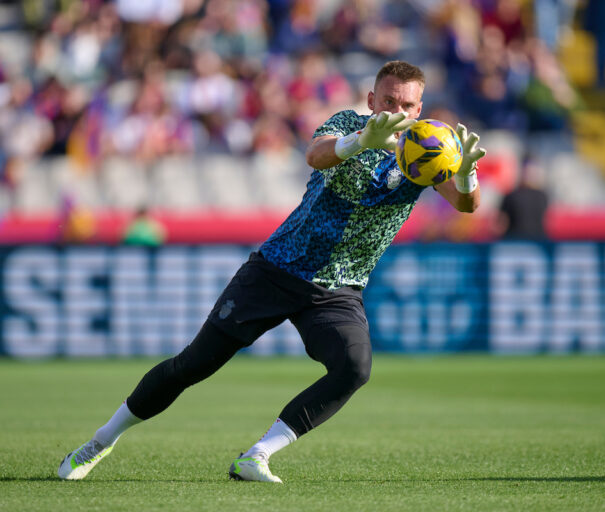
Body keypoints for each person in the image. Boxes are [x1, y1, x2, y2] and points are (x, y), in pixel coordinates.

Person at [57, 60, 487, 483]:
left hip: (339, 288)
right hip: (277, 269)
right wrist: (361, 139)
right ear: (371, 99)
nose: (397, 111)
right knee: (193, 365)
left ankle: (258, 454)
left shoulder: (426, 149)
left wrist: (466, 174)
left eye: (407, 105)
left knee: (354, 368)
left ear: (420, 107)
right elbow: (315, 155)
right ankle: (99, 442)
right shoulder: (347, 122)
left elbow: (465, 204)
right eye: (388, 100)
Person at [498, 153, 549, 239]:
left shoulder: (542, 196)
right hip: (517, 243)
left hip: (533, 242)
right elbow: (501, 223)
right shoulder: (511, 196)